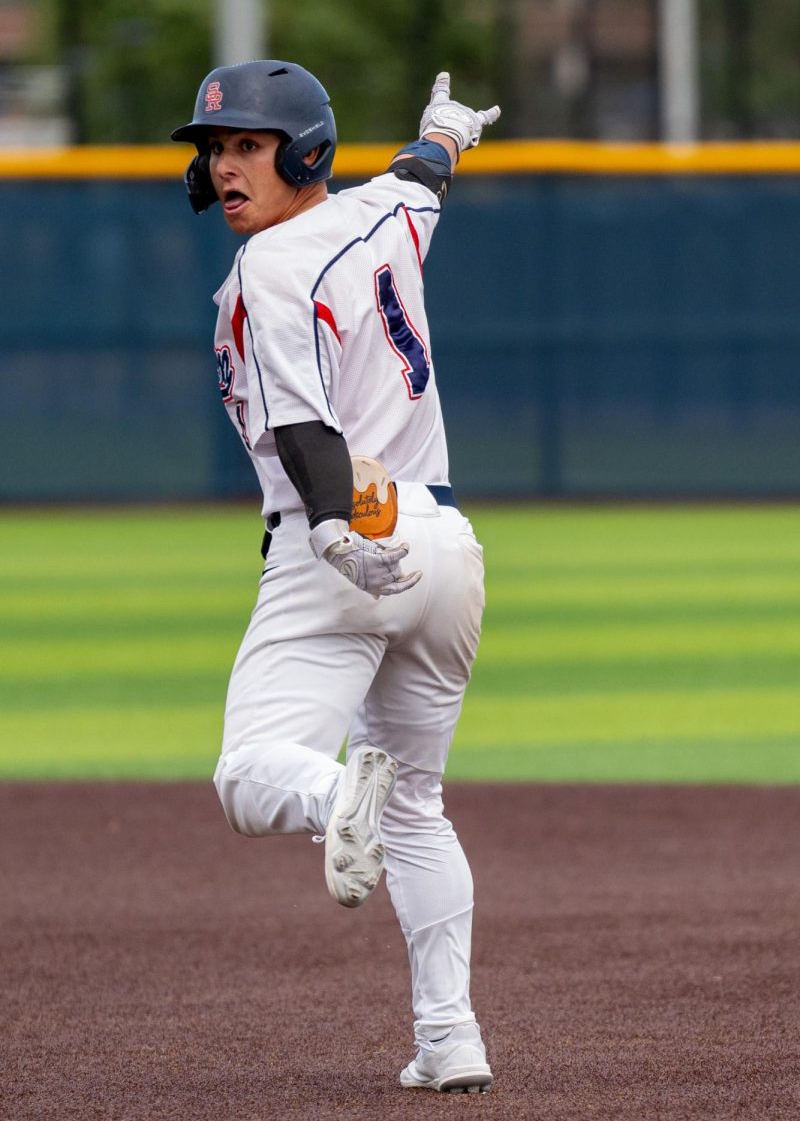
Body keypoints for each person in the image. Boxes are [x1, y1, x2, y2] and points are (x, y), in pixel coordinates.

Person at [171, 61, 500, 1094]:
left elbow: (303, 425)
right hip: (444, 544)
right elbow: (422, 174)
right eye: (216, 148)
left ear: (303, 152)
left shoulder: (265, 271)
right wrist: (445, 131)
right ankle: (448, 1042)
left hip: (346, 538)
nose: (226, 165)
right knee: (417, 809)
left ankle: (330, 790)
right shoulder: (387, 211)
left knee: (253, 776)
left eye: (248, 145)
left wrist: (327, 535)